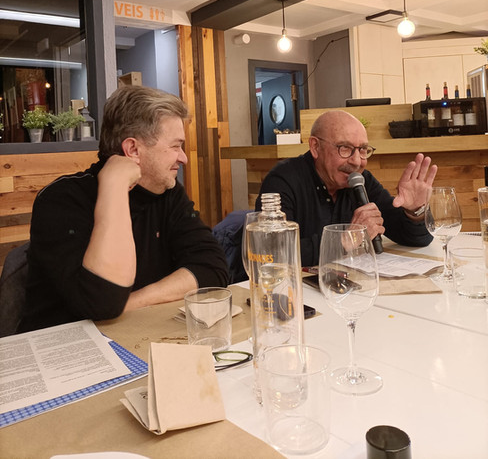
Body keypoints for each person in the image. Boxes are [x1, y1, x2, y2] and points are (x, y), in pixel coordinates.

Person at [18, 86, 229, 333]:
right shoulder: (61, 200)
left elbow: (213, 267)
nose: (183, 158)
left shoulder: (168, 193)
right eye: (175, 146)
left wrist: (129, 304)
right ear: (133, 150)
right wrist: (115, 184)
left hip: (137, 333)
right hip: (63, 346)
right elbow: (103, 299)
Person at [256, 110, 437, 266]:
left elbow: (417, 239)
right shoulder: (282, 181)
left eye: (363, 149)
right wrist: (345, 241)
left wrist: (415, 212)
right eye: (345, 148)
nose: (357, 161)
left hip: (350, 286)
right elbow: (272, 252)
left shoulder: (361, 181)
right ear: (315, 147)